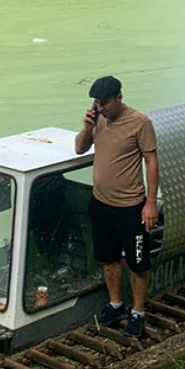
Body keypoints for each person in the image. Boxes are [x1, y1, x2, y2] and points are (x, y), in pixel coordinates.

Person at [74, 76, 159, 338]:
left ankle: (138, 313)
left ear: (119, 98)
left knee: (137, 263)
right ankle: (115, 305)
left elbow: (151, 163)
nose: (101, 108)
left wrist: (150, 204)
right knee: (109, 258)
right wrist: (87, 128)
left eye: (106, 103)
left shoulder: (140, 122)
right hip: (101, 203)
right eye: (97, 103)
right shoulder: (97, 119)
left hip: (130, 206)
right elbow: (79, 149)